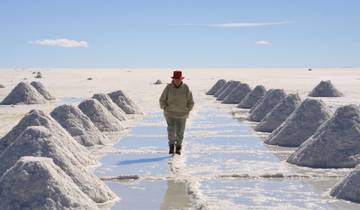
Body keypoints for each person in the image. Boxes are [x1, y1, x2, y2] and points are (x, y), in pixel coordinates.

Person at [159, 70, 194, 155]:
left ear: (181, 79)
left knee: (180, 132)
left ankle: (178, 147)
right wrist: (165, 108)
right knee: (171, 130)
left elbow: (191, 101)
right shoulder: (168, 88)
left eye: (179, 79)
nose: (177, 81)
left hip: (182, 114)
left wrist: (187, 109)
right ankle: (171, 147)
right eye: (176, 79)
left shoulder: (186, 88)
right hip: (170, 114)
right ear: (173, 79)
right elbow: (162, 100)